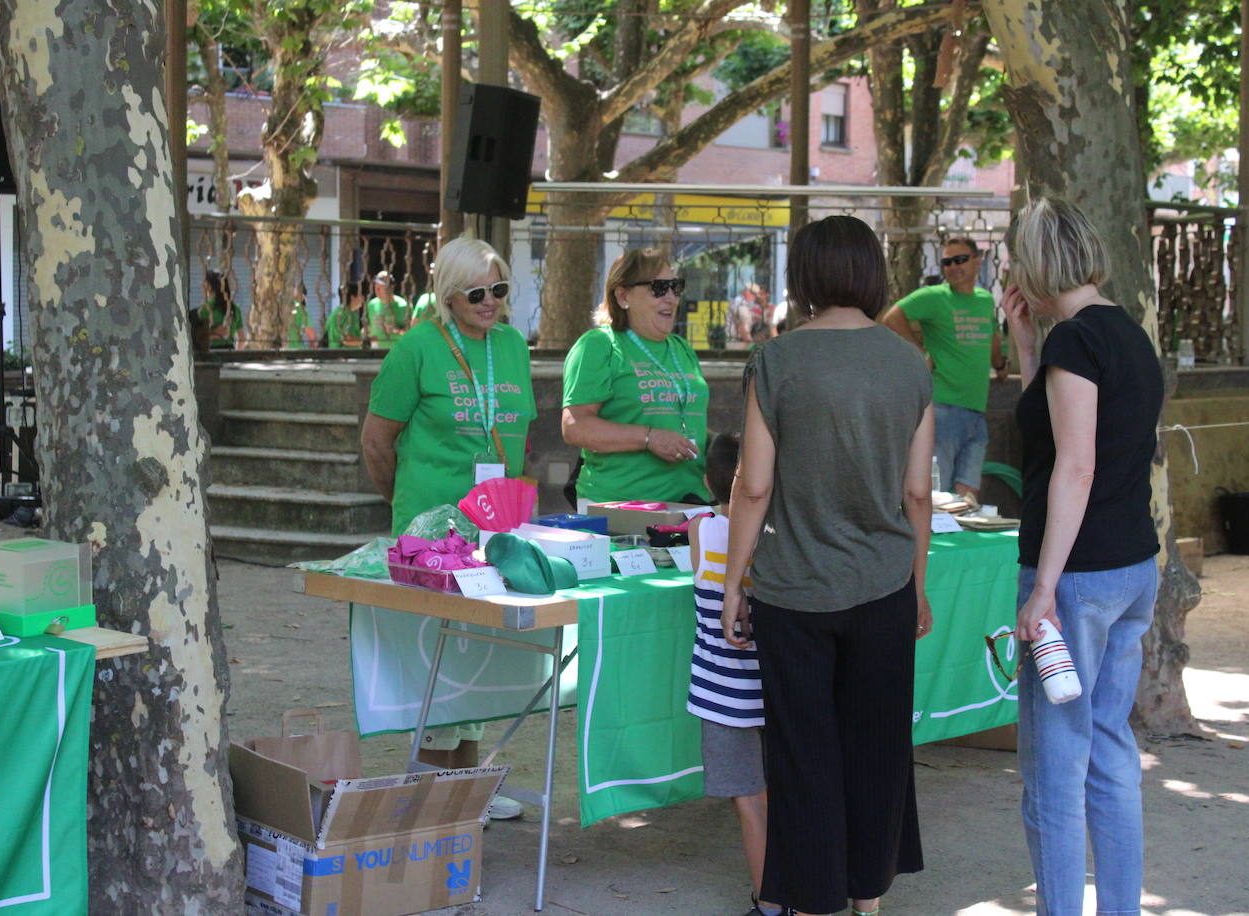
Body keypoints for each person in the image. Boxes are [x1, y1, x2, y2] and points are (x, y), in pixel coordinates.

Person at [721, 215, 935, 916]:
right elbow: (917, 493)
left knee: (803, 756)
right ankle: (867, 902)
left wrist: (732, 584)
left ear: (804, 277)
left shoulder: (776, 361)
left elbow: (753, 486)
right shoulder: (910, 363)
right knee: (876, 750)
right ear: (872, 272)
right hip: (883, 587)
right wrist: (919, 585)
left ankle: (812, 903)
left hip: (793, 592)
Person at [999, 197, 1163, 916]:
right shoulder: (1123, 332)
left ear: (1034, 263)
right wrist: (1027, 349)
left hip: (1076, 575)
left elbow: (1073, 466)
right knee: (1109, 752)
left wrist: (1044, 592)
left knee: (1054, 772)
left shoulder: (1078, 342)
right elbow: (1060, 439)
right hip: (1131, 567)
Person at [359, 237, 536, 810]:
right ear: (449, 295)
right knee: (437, 665)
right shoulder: (416, 347)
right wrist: (410, 510)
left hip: (493, 530)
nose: (491, 303)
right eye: (477, 293)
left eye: (499, 290)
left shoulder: (511, 346)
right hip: (431, 539)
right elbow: (376, 441)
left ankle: (466, 794)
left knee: (477, 655)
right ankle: (435, 802)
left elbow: (519, 432)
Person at [686, 433, 786, 916]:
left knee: (750, 800)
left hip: (721, 694)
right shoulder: (783, 536)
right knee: (790, 793)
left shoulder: (700, 531)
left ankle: (768, 903)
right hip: (777, 690)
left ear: (709, 480)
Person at [561, 248, 711, 505]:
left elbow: (684, 420)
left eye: (676, 287)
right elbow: (575, 427)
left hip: (688, 505)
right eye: (659, 288)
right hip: (619, 508)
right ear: (623, 295)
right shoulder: (599, 345)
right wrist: (649, 438)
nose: (671, 298)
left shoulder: (681, 349)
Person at [883, 237, 1007, 498]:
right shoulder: (934, 296)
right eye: (947, 262)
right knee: (936, 492)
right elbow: (892, 317)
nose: (953, 267)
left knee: (967, 491)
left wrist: (1001, 364)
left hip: (976, 409)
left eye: (960, 259)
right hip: (942, 408)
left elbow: (992, 338)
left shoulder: (985, 300)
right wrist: (918, 354)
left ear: (977, 261)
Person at [197, 269, 246, 349]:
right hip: (230, 354)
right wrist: (236, 355)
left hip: (210, 355)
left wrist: (213, 334)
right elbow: (242, 339)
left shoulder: (205, 309)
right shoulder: (235, 309)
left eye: (205, 286)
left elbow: (199, 337)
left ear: (210, 287)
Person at [367, 270, 409, 346]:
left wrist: (398, 330)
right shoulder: (371, 305)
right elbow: (369, 327)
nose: (377, 290)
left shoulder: (403, 305)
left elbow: (412, 331)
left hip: (397, 351)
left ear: (390, 288)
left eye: (380, 287)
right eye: (376, 287)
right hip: (376, 352)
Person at [325, 284, 367, 348]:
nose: (363, 298)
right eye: (360, 295)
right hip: (344, 356)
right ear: (352, 297)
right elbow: (346, 339)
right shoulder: (347, 315)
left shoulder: (336, 312)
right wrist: (366, 341)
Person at [286, 284, 316, 349]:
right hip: (296, 350)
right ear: (303, 297)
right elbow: (312, 336)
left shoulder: (283, 307)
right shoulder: (302, 310)